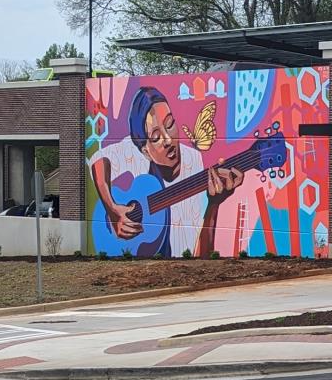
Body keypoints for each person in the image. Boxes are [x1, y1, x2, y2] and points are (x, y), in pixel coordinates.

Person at [92, 86, 243, 256]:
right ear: (145, 151)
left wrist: (214, 203)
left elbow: (199, 256)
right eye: (156, 137)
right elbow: (99, 160)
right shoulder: (134, 150)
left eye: (170, 124)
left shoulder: (193, 160)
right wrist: (112, 209)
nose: (169, 140)